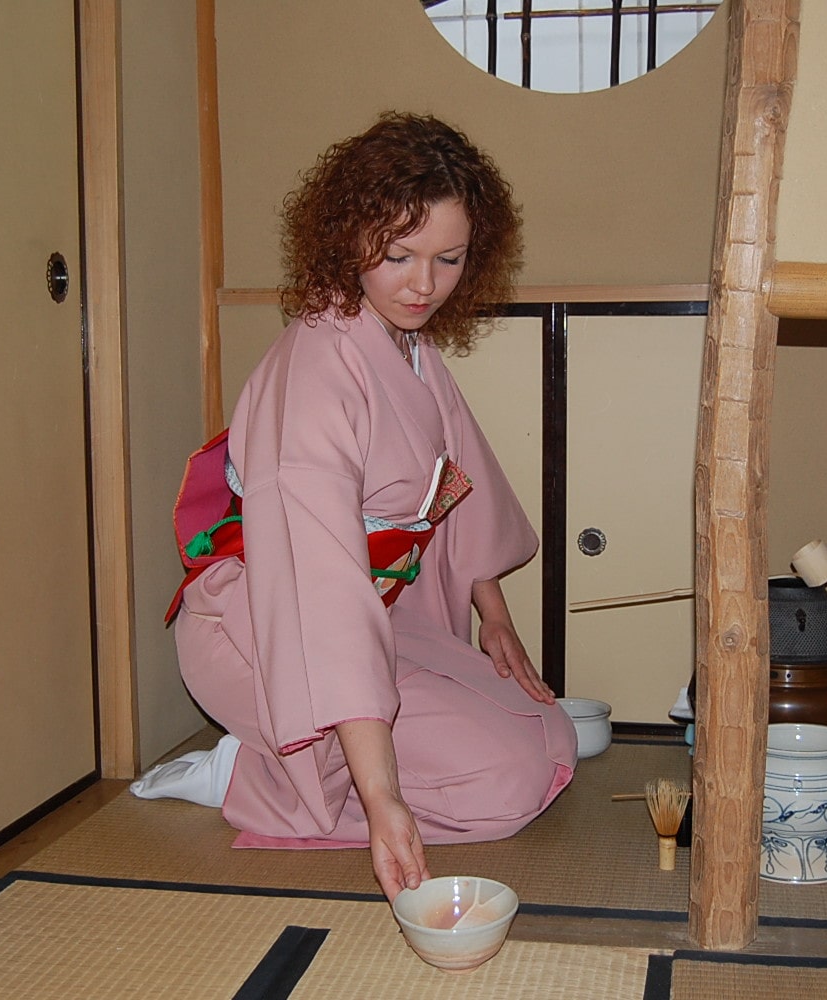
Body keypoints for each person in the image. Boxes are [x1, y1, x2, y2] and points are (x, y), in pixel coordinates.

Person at [138, 112, 577, 900]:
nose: (423, 284)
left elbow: (456, 477)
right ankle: (247, 776)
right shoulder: (315, 370)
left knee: (551, 737)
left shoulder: (406, 341)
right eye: (399, 255)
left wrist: (494, 613)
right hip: (268, 623)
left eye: (449, 259)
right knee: (505, 787)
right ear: (348, 239)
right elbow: (321, 593)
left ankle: (312, 768)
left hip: (371, 611)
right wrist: (382, 801)